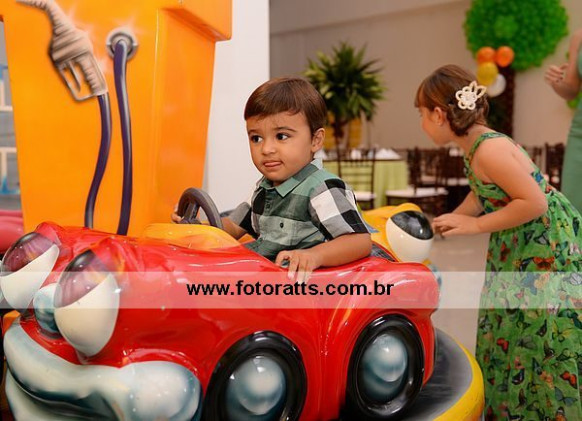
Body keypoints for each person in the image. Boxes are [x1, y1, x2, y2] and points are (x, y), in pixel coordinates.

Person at [416, 65, 581, 421]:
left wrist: (474, 226)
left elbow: (534, 202)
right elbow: (483, 192)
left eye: (422, 114)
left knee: (539, 330)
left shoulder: (488, 149)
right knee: (513, 324)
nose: (422, 123)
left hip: (542, 246)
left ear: (440, 115)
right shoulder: (475, 146)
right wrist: (454, 217)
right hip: (521, 243)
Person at [173, 77, 372, 284]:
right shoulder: (263, 187)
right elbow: (232, 226)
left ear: (316, 140)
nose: (266, 149)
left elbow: (359, 240)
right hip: (264, 279)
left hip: (301, 285)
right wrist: (196, 229)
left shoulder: (322, 189)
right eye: (256, 138)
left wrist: (314, 255)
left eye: (281, 136)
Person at [545, 28, 582, 213]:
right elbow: (571, 90)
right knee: (575, 208)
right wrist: (557, 82)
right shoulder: (579, 36)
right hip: (580, 134)